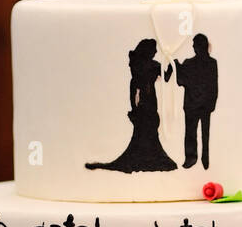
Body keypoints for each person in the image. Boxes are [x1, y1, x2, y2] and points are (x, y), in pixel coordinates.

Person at [85, 38, 177, 173]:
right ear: (148, 50)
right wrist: (135, 106)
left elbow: (166, 76)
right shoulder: (143, 65)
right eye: (154, 49)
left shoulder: (145, 64)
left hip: (149, 100)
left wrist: (170, 62)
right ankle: (144, 158)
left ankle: (148, 156)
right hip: (145, 100)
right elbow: (137, 86)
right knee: (145, 128)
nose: (156, 51)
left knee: (149, 128)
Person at [173, 33, 218, 169]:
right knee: (204, 134)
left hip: (194, 105)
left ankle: (192, 159)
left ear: (199, 46)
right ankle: (204, 159)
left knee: (191, 133)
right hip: (203, 105)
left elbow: (181, 81)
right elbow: (213, 85)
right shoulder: (211, 63)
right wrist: (211, 104)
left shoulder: (189, 63)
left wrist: (177, 66)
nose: (192, 47)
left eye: (194, 45)